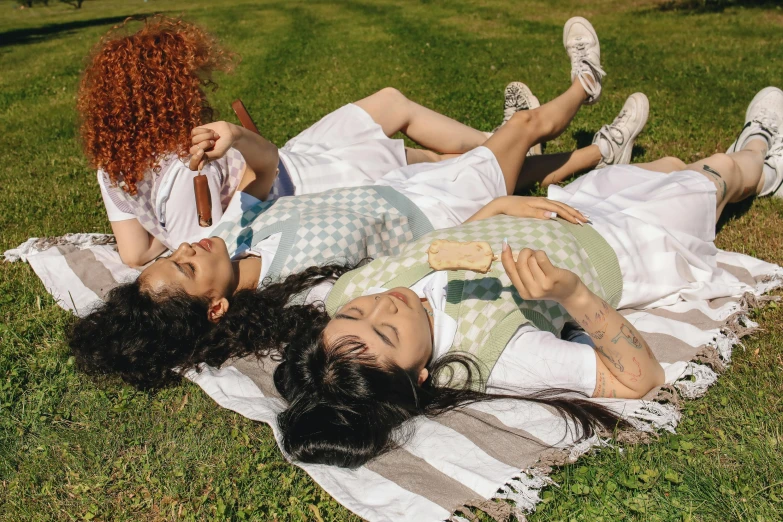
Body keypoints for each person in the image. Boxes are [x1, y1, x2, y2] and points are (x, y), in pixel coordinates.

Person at [69, 17, 641, 390]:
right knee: (521, 128)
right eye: (188, 264)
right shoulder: (304, 293)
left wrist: (238, 139)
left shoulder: (232, 228)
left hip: (400, 187)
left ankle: (597, 151)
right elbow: (407, 273)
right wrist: (482, 219)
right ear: (215, 307)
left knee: (506, 148)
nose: (189, 246)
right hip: (439, 209)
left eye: (173, 255)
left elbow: (266, 169)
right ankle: (586, 84)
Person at [269, 86, 783, 468]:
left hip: (565, 208)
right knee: (716, 176)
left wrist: (492, 211)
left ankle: (710, 169)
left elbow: (431, 255)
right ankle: (760, 153)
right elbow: (639, 378)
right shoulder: (498, 353)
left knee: (669, 163)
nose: (385, 304)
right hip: (634, 246)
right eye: (387, 332)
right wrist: (572, 294)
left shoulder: (348, 295)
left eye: (358, 313)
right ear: (418, 376)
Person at [78, 16, 642, 267]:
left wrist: (166, 244)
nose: (198, 87)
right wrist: (237, 145)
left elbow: (133, 252)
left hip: (294, 162)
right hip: (303, 191)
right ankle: (579, 117)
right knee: (450, 165)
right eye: (188, 81)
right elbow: (257, 184)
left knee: (393, 105)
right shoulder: (191, 149)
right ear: (164, 93)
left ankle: (520, 141)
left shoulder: (114, 165)